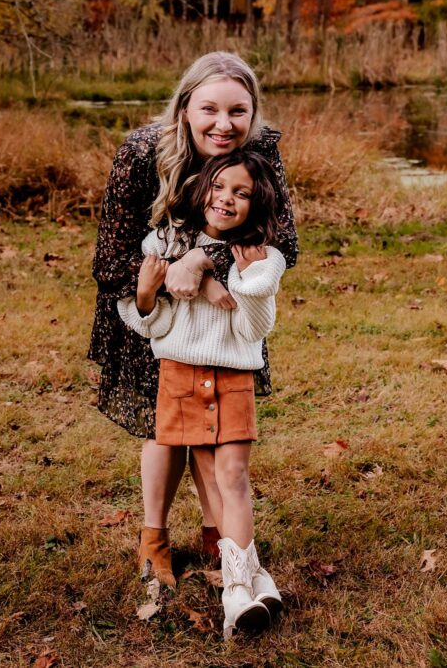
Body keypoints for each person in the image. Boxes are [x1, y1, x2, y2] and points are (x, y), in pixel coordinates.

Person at [88, 52, 298, 589]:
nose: (223, 125)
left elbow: (283, 244)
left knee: (216, 427)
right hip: (148, 305)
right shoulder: (141, 152)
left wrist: (205, 263)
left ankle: (218, 535)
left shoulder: (260, 153)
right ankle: (153, 539)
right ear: (185, 107)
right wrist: (175, 275)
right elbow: (109, 261)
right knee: (164, 429)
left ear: (253, 113)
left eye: (238, 111)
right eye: (209, 109)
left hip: (226, 316)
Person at [118, 149, 285, 638]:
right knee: (178, 452)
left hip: (233, 376)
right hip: (178, 372)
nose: (227, 199)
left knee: (232, 473)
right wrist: (151, 294)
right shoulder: (165, 241)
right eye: (220, 187)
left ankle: (238, 587)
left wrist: (246, 285)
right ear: (202, 186)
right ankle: (246, 577)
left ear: (257, 204)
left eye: (242, 193)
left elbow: (254, 329)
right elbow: (151, 321)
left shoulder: (261, 257)